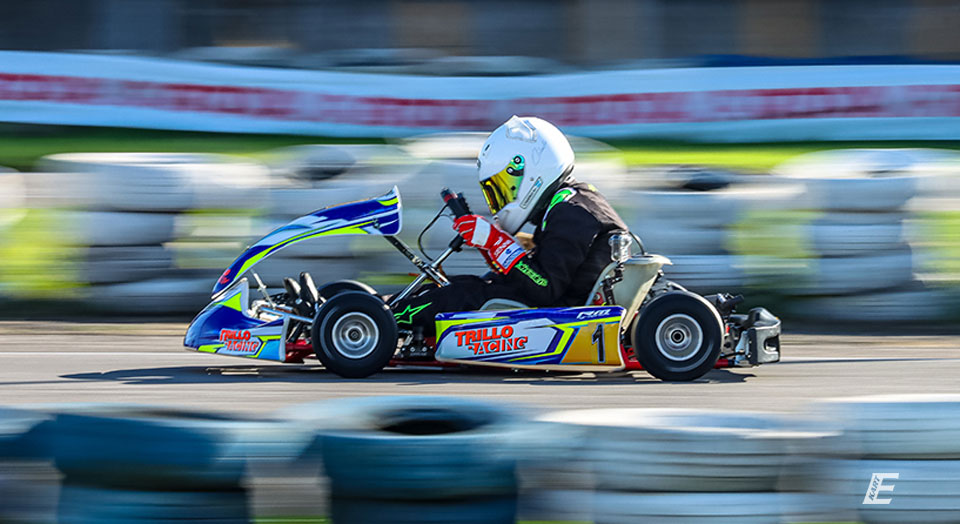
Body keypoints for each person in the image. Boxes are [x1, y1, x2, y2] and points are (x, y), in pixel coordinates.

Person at [391, 116, 628, 338]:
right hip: (558, 300)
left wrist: (496, 241)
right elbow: (543, 268)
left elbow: (544, 287)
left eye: (506, 186)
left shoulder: (572, 213)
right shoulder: (574, 201)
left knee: (463, 294)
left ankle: (387, 319)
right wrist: (490, 246)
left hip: (562, 315)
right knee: (463, 284)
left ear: (533, 172)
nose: (502, 196)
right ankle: (384, 309)